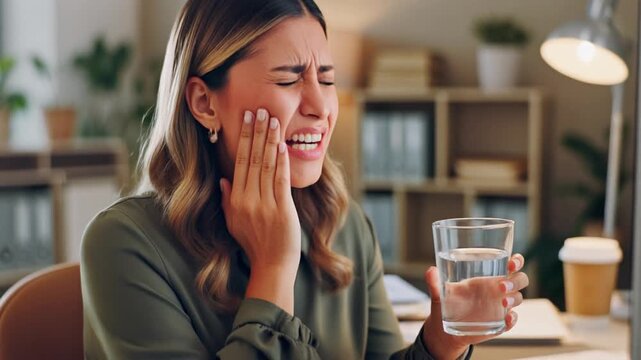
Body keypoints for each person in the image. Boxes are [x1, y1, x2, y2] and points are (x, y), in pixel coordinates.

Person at [80, 0, 529, 359]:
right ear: (203, 102)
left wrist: (440, 344)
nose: (321, 105)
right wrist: (273, 269)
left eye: (327, 79)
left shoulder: (345, 224)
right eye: (289, 79)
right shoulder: (123, 243)